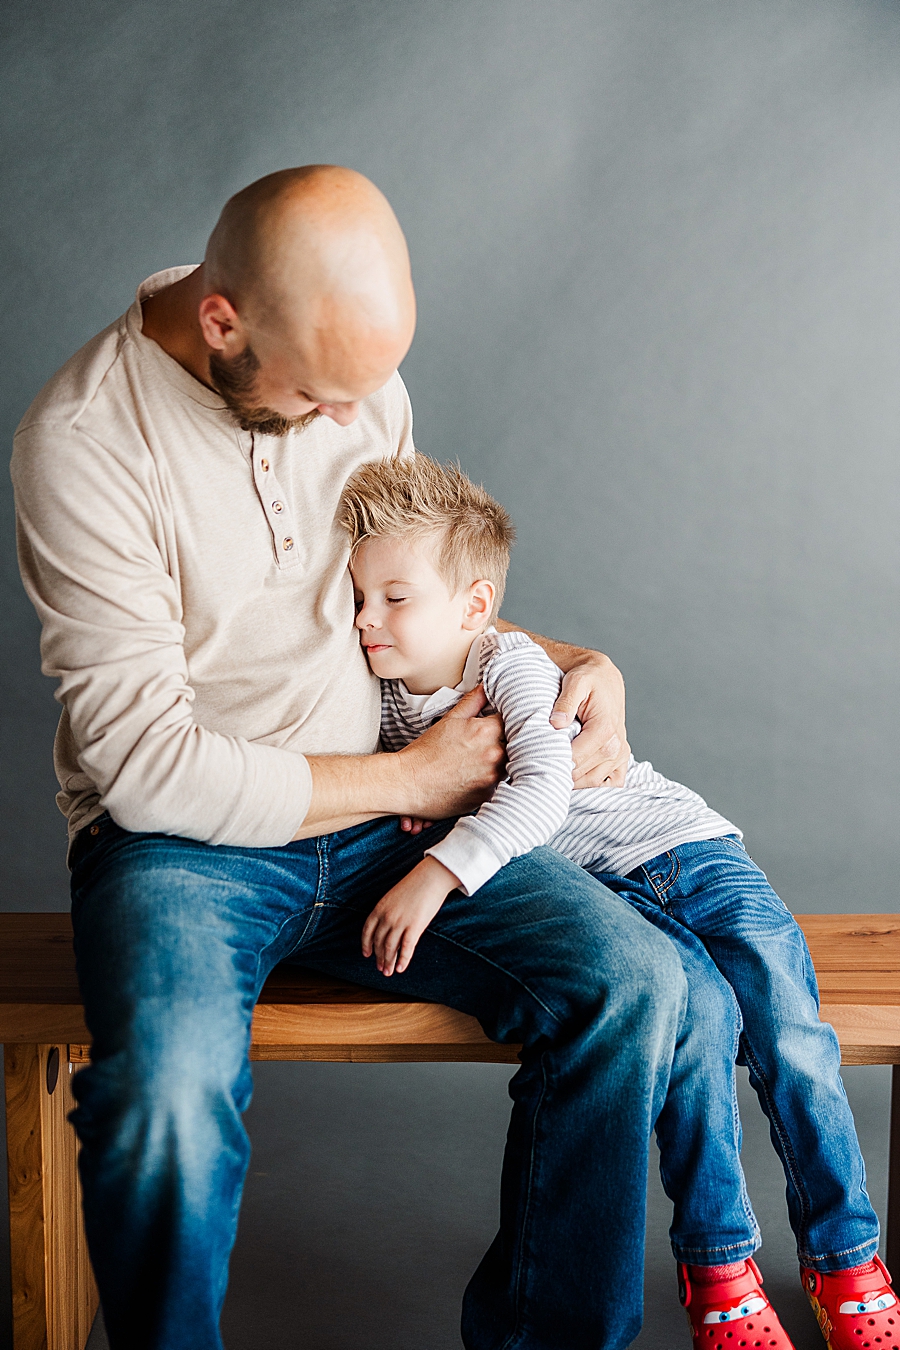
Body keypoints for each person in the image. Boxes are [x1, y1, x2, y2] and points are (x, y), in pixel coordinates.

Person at [10, 165, 691, 1350]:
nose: (350, 421)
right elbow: (146, 768)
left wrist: (584, 659)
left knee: (634, 984)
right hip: (185, 851)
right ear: (221, 323)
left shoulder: (359, 388)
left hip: (401, 830)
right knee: (164, 1100)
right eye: (322, 394)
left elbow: (420, 605)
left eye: (364, 393)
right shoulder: (85, 443)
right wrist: (415, 780)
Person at [338, 451, 895, 1350]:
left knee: (790, 1031)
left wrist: (441, 863)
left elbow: (541, 790)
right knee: (697, 1027)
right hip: (606, 894)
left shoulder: (506, 661)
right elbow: (404, 787)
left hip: (681, 853)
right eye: (358, 599)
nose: (368, 620)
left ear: (473, 605)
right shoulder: (379, 699)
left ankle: (847, 1256)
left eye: (394, 598)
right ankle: (720, 1265)